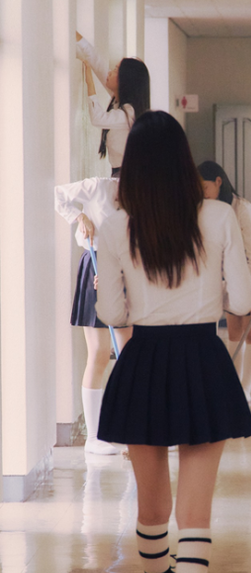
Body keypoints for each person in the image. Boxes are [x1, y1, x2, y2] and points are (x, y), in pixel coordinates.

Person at [95, 111, 251, 573]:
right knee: (195, 515)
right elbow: (242, 299)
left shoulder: (116, 227)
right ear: (184, 161)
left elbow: (112, 314)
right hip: (202, 361)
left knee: (152, 513)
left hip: (143, 363)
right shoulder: (217, 216)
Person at [54, 174, 132, 455]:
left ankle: (134, 430)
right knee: (99, 352)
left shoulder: (145, 197)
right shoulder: (98, 186)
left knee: (129, 356)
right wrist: (80, 217)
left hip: (126, 269)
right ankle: (94, 437)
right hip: (96, 263)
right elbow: (58, 194)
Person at [198, 161, 251, 402]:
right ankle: (234, 386)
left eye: (205, 187)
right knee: (234, 327)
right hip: (232, 267)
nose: (202, 194)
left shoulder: (243, 209)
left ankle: (246, 389)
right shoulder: (206, 208)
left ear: (218, 182)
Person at [76, 31, 150, 173]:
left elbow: (98, 118)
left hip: (129, 173)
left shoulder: (130, 113)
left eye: (115, 70)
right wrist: (77, 38)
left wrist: (89, 82)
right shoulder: (119, 99)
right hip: (122, 171)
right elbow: (98, 65)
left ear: (125, 80)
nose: (109, 72)